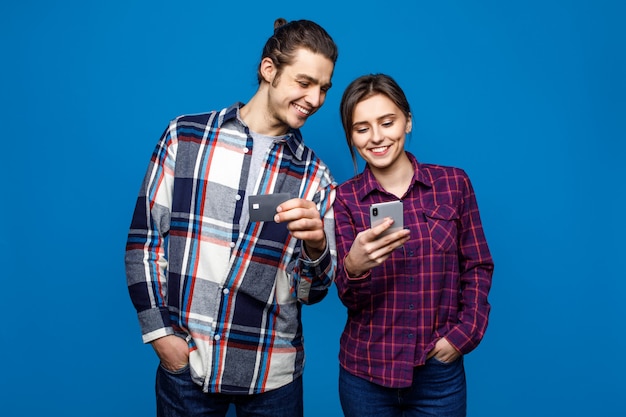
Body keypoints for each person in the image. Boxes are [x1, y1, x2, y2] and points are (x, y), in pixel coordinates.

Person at [125, 18, 339, 417]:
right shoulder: (185, 137)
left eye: (324, 88)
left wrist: (317, 247)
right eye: (305, 82)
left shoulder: (317, 177)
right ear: (269, 70)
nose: (315, 98)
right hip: (189, 367)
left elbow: (313, 292)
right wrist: (161, 338)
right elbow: (145, 243)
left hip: (271, 373)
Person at [333, 74, 494, 417]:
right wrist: (354, 267)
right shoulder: (344, 199)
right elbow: (349, 297)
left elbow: (478, 265)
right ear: (351, 136)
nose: (376, 137)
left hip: (438, 375)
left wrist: (465, 334)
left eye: (387, 122)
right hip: (365, 374)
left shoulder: (453, 184)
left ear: (407, 121)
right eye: (361, 128)